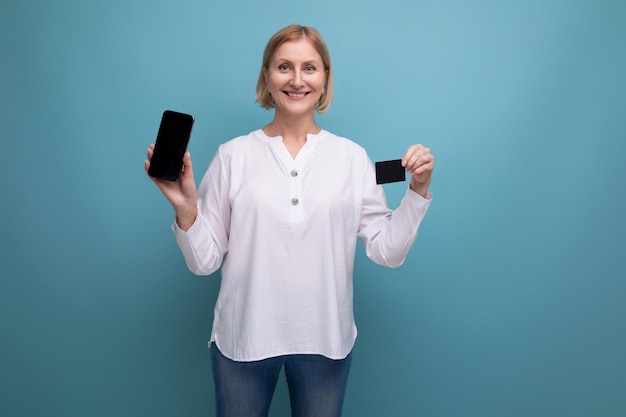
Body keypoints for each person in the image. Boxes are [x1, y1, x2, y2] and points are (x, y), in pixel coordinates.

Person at [145, 24, 434, 417]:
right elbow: (205, 261)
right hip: (243, 339)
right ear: (267, 75)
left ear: (325, 77)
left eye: (310, 68)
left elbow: (388, 251)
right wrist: (185, 209)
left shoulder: (352, 158)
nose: (297, 79)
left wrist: (417, 190)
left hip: (324, 340)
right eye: (284, 66)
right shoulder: (233, 156)